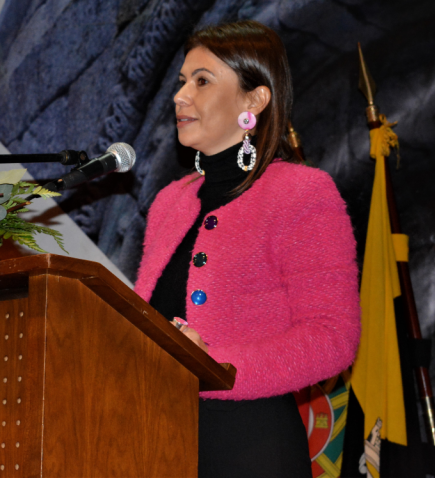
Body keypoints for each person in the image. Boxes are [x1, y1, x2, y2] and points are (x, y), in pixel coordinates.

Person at [134, 20, 361, 477]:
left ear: (254, 100)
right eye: (181, 83)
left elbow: (332, 337)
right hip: (154, 438)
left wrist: (216, 366)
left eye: (201, 81)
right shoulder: (168, 204)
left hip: (248, 444)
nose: (180, 96)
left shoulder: (302, 193)